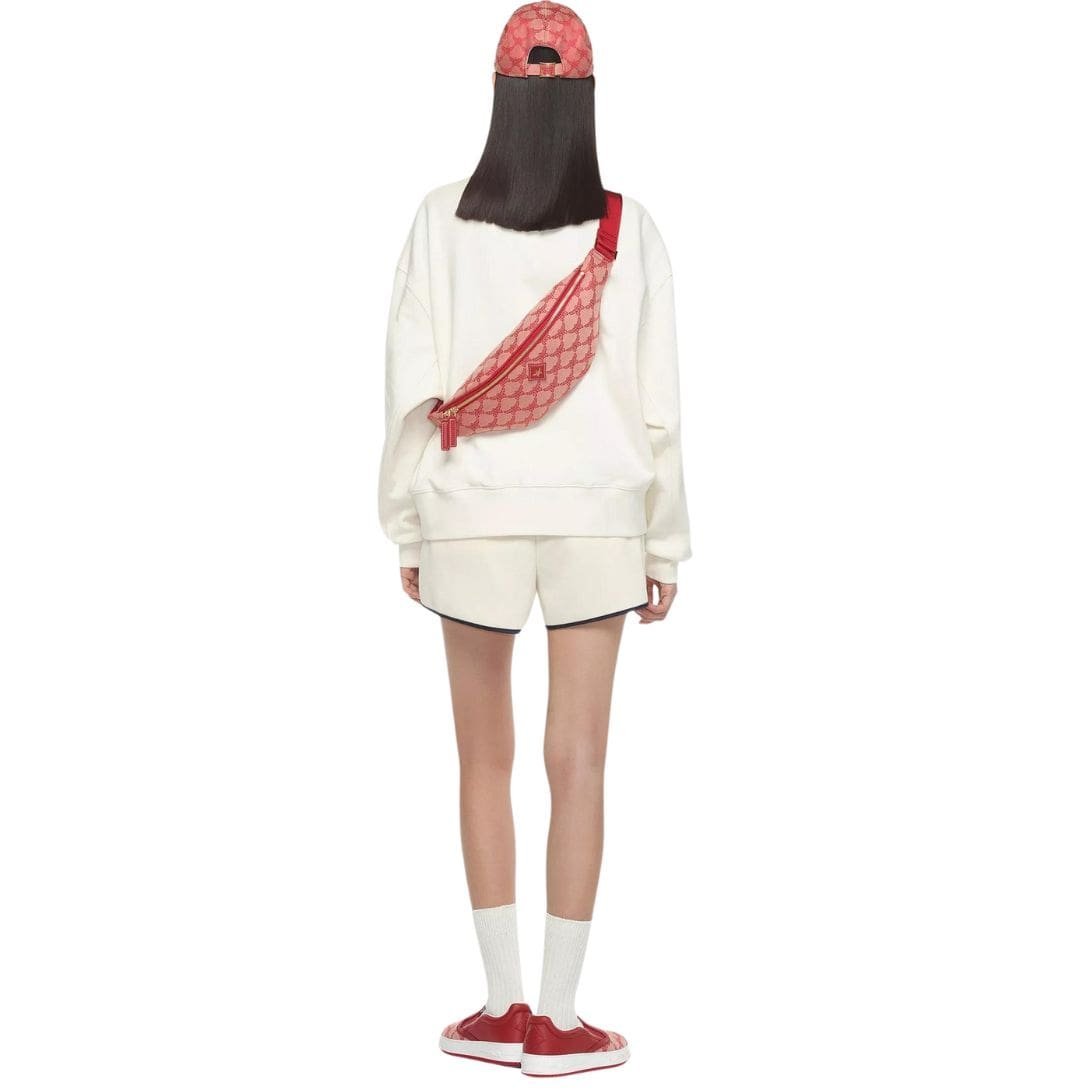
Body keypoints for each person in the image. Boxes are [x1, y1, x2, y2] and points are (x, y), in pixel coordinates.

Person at [377, 2, 691, 1076]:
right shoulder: (628, 227)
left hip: (469, 513)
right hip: (598, 517)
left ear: (499, 94)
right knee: (580, 759)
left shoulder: (437, 219)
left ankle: (499, 1006)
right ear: (585, 98)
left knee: (482, 756)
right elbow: (659, 403)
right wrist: (662, 543)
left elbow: (410, 386)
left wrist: (408, 521)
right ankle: (560, 1019)